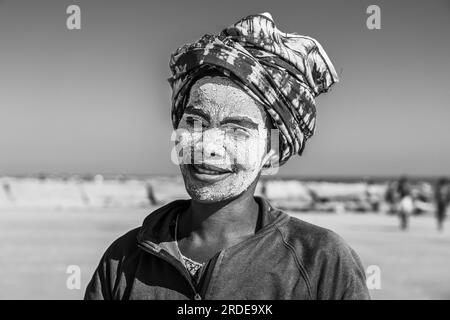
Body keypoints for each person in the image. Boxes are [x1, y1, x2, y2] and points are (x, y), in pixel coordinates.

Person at [85, 13, 370, 300]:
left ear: (272, 152)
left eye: (236, 130)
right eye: (195, 122)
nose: (207, 144)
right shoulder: (122, 260)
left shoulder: (323, 262)